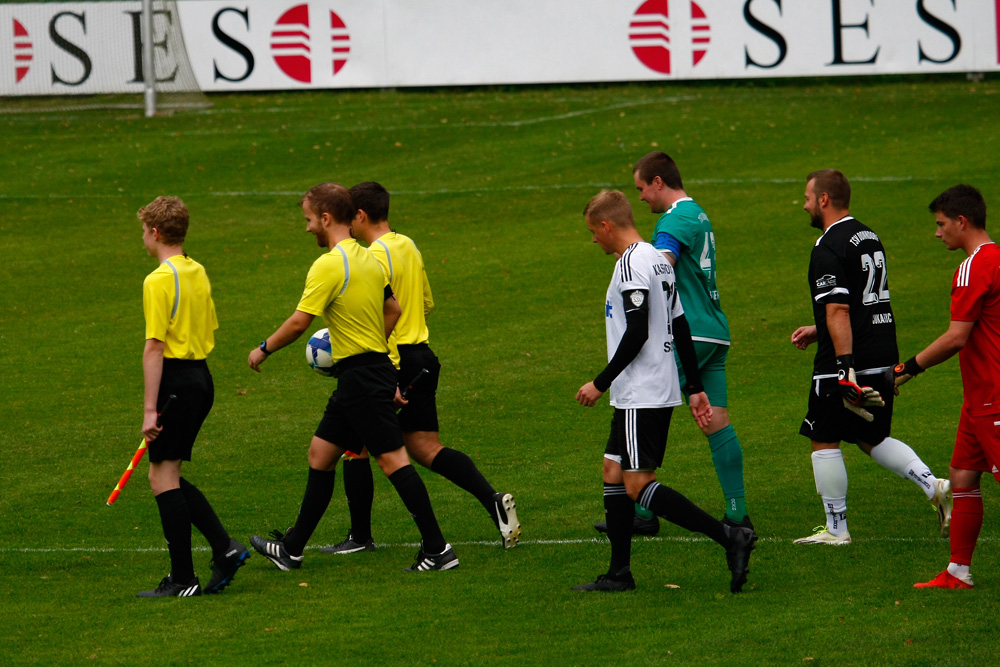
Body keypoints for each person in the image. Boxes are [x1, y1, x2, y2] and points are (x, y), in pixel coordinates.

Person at [248, 182, 458, 572]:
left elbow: (298, 323)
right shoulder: (369, 259)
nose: (308, 227)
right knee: (321, 453)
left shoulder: (329, 265)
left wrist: (264, 348)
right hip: (363, 374)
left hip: (362, 378)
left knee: (394, 461)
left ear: (326, 218)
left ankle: (438, 549)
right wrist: (375, 351)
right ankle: (292, 549)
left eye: (309, 219)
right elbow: (393, 309)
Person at [319, 182, 520, 555]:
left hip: (392, 360)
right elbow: (425, 302)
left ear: (359, 216)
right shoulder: (406, 244)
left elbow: (381, 314)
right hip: (422, 357)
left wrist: (385, 369)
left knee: (356, 448)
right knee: (426, 449)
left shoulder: (371, 256)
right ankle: (492, 499)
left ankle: (361, 537)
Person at [573, 189, 757, 594]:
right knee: (612, 472)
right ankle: (619, 573)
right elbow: (681, 326)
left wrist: (598, 383)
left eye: (593, 231)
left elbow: (638, 330)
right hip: (642, 391)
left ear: (607, 225)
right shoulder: (658, 260)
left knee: (638, 484)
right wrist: (694, 387)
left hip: (643, 392)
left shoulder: (631, 265)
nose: (593, 240)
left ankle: (730, 537)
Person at [789, 169, 952, 545]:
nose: (805, 204)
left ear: (824, 199)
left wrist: (843, 368)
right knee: (871, 435)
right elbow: (860, 300)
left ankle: (836, 529)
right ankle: (934, 486)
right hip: (881, 349)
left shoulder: (827, 245)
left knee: (823, 437)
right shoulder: (868, 235)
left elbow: (839, 310)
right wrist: (819, 328)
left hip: (847, 360)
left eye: (808, 197)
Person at [625, 151, 752, 535]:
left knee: (642, 412)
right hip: (714, 330)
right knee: (718, 422)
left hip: (687, 332)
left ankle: (643, 515)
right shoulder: (698, 213)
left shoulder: (674, 220)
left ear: (659, 182)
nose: (641, 197)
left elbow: (661, 264)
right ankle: (737, 514)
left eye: (642, 189)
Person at [135, 196, 249, 598]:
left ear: (156, 232)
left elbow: (154, 347)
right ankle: (225, 547)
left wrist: (150, 409)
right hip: (201, 378)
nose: (143, 240)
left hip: (176, 382)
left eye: (144, 232)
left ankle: (183, 578)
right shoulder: (197, 271)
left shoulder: (158, 280)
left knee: (161, 477)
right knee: (169, 475)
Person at [894, 186, 997, 589]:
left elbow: (957, 337)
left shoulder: (975, 266)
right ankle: (958, 571)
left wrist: (907, 368)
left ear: (961, 222)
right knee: (963, 475)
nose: (938, 233)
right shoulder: (997, 259)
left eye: (940, 224)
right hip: (978, 396)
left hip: (993, 392)